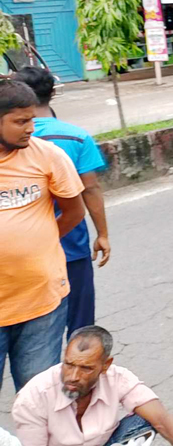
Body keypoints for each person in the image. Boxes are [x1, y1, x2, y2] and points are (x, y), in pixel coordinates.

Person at [0, 80, 85, 393]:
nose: (30, 128)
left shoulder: (47, 155)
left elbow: (74, 212)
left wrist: (42, 241)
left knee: (39, 398)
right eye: (21, 121)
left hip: (42, 301)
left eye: (32, 119)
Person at [14, 67, 110, 337]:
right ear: (52, 93)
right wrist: (102, 234)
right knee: (79, 323)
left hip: (22, 253)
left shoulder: (10, 139)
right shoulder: (76, 136)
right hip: (71, 246)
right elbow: (90, 189)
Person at [13, 326, 173, 446]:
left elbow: (163, 420)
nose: (74, 376)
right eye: (69, 365)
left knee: (146, 419)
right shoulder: (32, 398)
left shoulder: (117, 377)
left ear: (105, 365)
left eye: (86, 368)